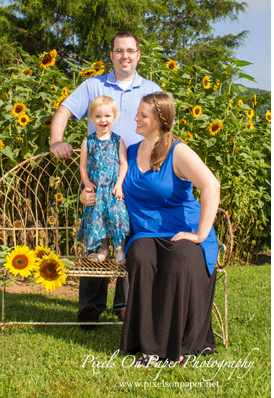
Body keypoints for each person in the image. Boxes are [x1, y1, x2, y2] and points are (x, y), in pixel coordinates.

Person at [82, 92, 220, 365]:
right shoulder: (130, 152)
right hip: (145, 233)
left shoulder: (178, 151)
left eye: (143, 115)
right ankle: (148, 345)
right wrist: (85, 195)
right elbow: (104, 185)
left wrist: (201, 234)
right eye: (138, 113)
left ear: (159, 121)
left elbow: (211, 186)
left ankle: (179, 345)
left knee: (182, 258)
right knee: (142, 257)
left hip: (183, 228)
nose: (136, 118)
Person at [50, 31, 160, 325]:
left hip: (135, 171)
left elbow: (163, 126)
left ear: (138, 55)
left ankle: (125, 305)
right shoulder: (93, 85)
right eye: (119, 50)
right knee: (96, 233)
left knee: (132, 232)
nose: (125, 55)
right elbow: (64, 110)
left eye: (131, 51)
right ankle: (90, 306)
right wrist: (56, 141)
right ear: (111, 55)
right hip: (97, 174)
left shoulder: (151, 88)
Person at [78, 95, 131, 264]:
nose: (103, 120)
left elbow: (123, 164)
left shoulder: (117, 141)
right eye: (98, 116)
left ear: (114, 117)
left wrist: (119, 184)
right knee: (98, 219)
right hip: (98, 190)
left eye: (107, 116)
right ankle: (103, 250)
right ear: (91, 118)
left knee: (118, 216)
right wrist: (87, 183)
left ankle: (120, 249)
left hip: (113, 190)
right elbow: (83, 166)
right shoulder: (88, 141)